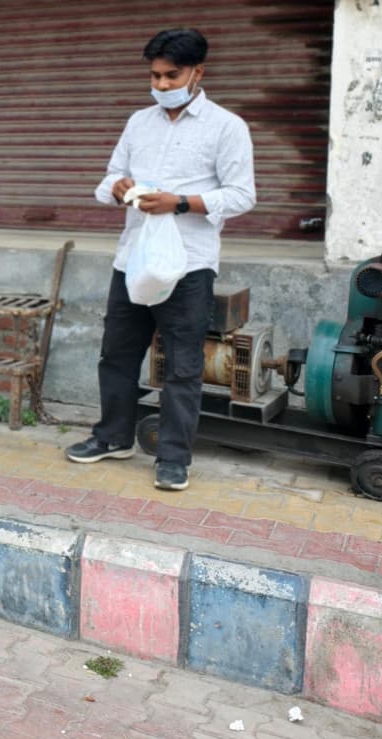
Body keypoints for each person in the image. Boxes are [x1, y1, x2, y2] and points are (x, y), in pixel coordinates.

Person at [66, 28, 256, 492]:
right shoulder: (139, 122)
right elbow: (109, 177)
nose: (162, 84)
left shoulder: (227, 127)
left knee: (183, 365)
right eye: (155, 76)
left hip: (188, 265)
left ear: (198, 73)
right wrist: (117, 188)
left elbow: (242, 195)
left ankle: (173, 458)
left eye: (172, 75)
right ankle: (113, 437)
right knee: (117, 354)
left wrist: (181, 202)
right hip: (133, 259)